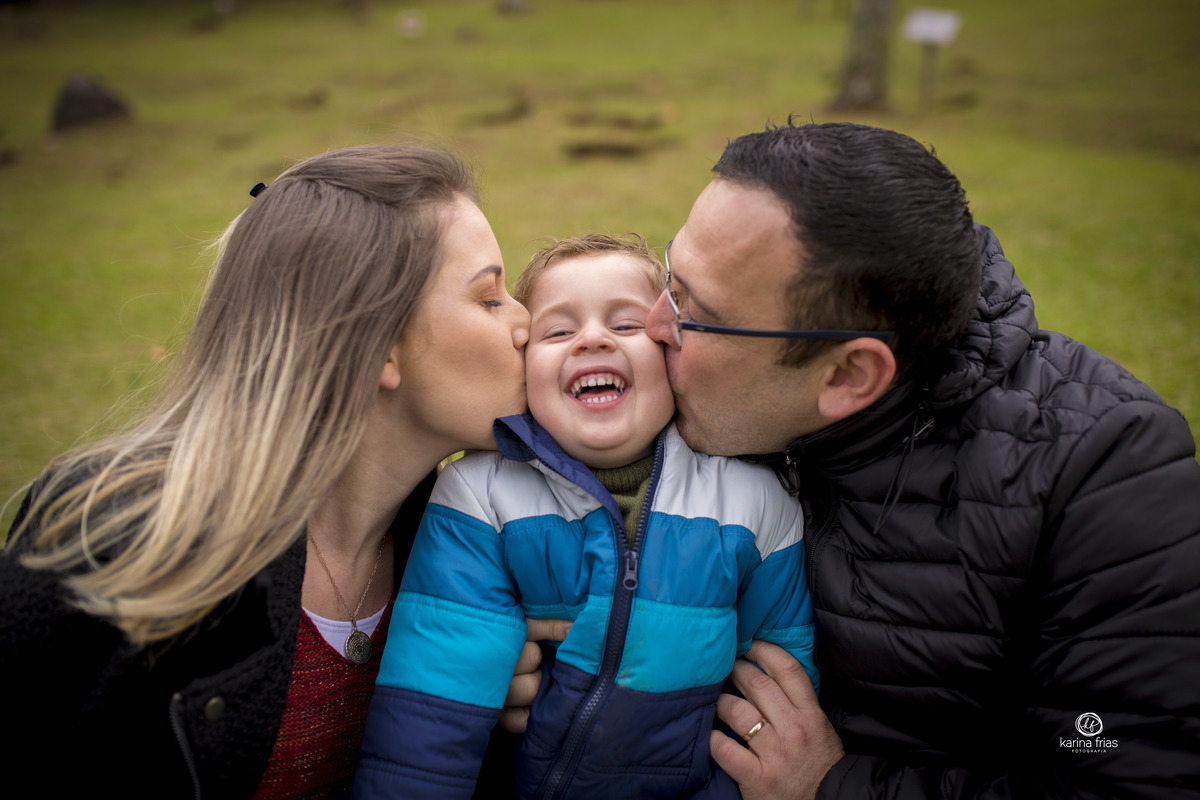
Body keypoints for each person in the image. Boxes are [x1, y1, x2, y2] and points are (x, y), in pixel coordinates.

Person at [636, 120, 1200, 799]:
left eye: (691, 311)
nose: (652, 326)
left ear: (848, 376)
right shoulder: (674, 396)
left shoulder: (1103, 477)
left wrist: (832, 789)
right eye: (671, 275)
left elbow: (1130, 780)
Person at [0, 144, 557, 799]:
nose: (528, 323)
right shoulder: (112, 540)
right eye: (490, 298)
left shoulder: (485, 549)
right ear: (379, 347)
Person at [352, 234, 819, 799]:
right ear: (524, 370)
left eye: (626, 325)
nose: (593, 338)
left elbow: (775, 691)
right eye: (557, 331)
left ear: (673, 353)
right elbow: (428, 715)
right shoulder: (480, 497)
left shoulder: (755, 504)